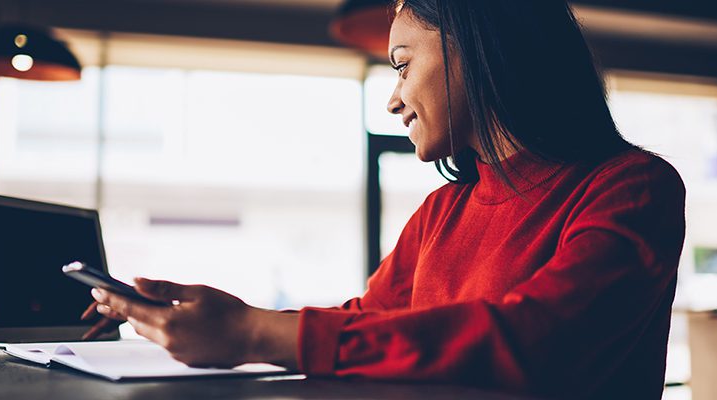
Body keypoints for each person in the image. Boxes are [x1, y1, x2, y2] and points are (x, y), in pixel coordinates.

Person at [90, 0, 685, 397]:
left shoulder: (631, 187)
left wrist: (252, 333)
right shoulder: (441, 213)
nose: (393, 100)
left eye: (403, 67)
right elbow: (366, 324)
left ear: (478, 53)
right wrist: (225, 317)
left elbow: (537, 340)